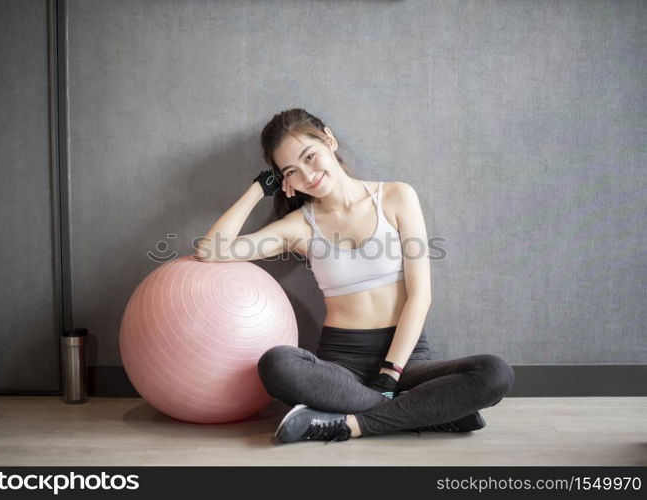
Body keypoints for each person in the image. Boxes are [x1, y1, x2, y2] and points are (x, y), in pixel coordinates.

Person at [193, 108, 515, 444]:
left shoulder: (396, 197)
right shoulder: (299, 226)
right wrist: (259, 189)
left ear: (329, 140)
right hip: (342, 368)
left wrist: (390, 375)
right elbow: (211, 250)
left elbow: (421, 297)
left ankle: (351, 425)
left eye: (310, 156)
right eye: (293, 170)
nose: (308, 175)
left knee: (495, 373)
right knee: (277, 364)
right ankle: (432, 413)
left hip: (407, 361)